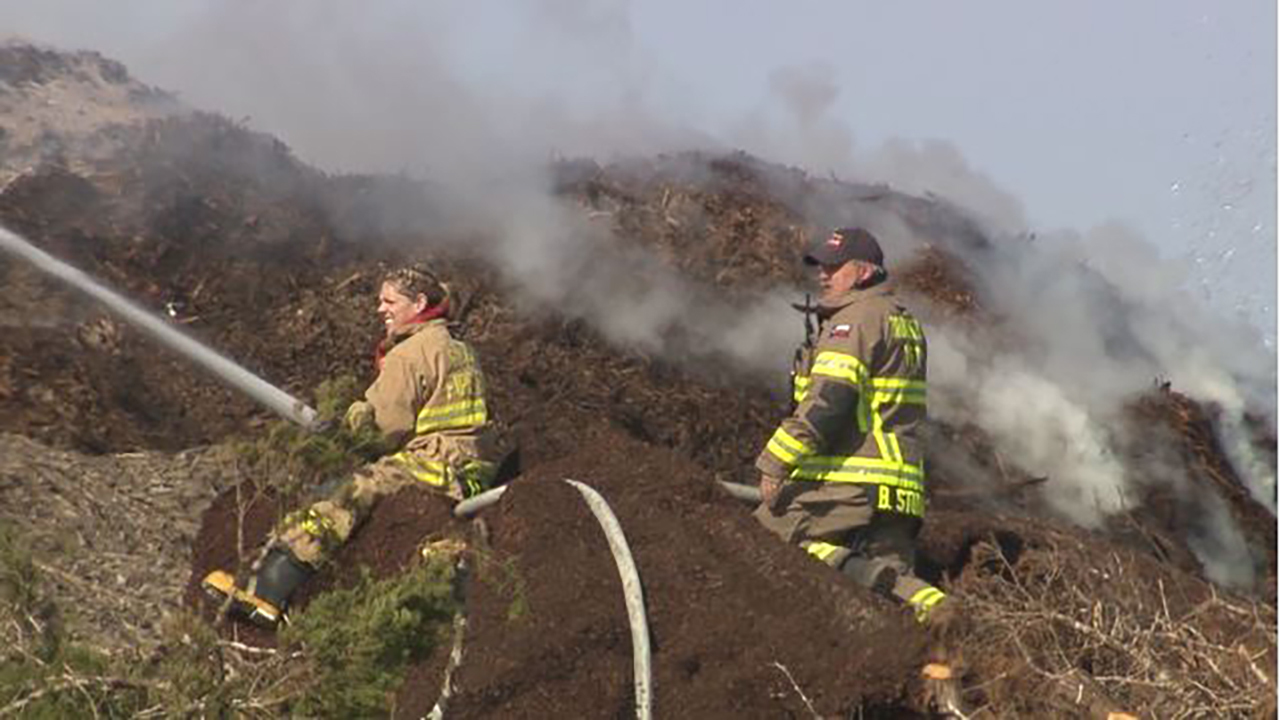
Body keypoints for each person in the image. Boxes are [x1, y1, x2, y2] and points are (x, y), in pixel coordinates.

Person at [203, 264, 498, 626]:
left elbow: (384, 428)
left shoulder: (411, 353)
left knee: (344, 494)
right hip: (471, 474)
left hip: (433, 463)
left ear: (419, 303)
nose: (380, 308)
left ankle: (266, 589)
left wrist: (346, 427)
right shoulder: (459, 349)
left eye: (389, 301)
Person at [754, 227, 949, 623]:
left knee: (766, 539)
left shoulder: (855, 321)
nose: (823, 275)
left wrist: (775, 461)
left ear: (863, 272)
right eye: (820, 266)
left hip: (850, 483)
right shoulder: (900, 320)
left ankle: (932, 607)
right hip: (898, 490)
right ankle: (946, 622)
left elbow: (830, 401)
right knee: (891, 607)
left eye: (834, 266)